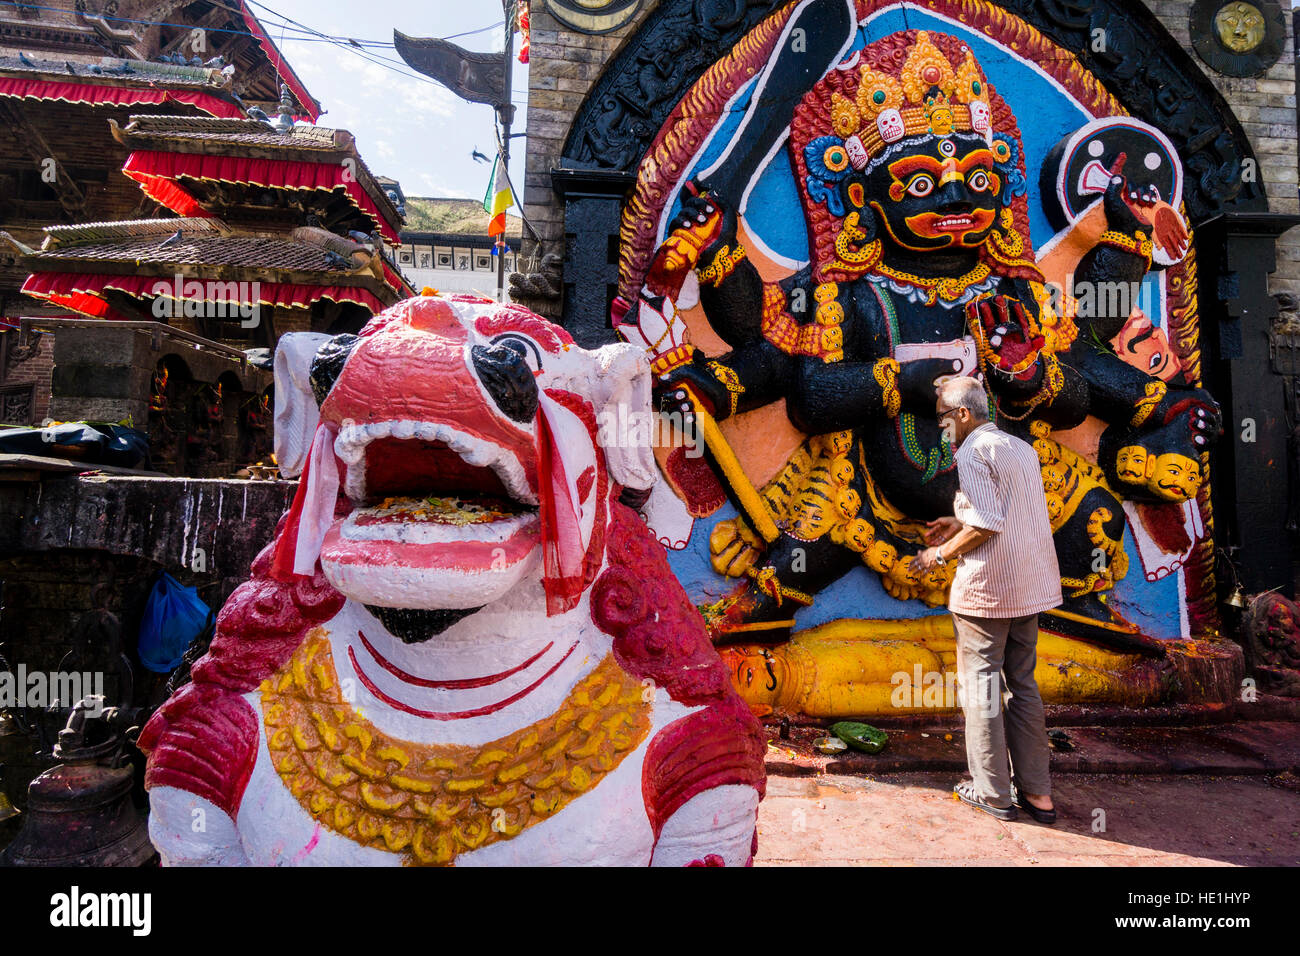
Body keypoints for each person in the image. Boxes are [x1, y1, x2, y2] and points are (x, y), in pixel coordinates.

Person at [913, 376, 1062, 824]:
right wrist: (955, 519)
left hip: (988, 592)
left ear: (963, 414)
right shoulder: (1020, 448)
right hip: (1029, 587)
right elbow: (1003, 512)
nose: (942, 430)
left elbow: (988, 524)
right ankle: (1038, 795)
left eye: (943, 419)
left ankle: (992, 792)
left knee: (981, 690)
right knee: (1023, 686)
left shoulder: (973, 450)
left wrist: (938, 554)